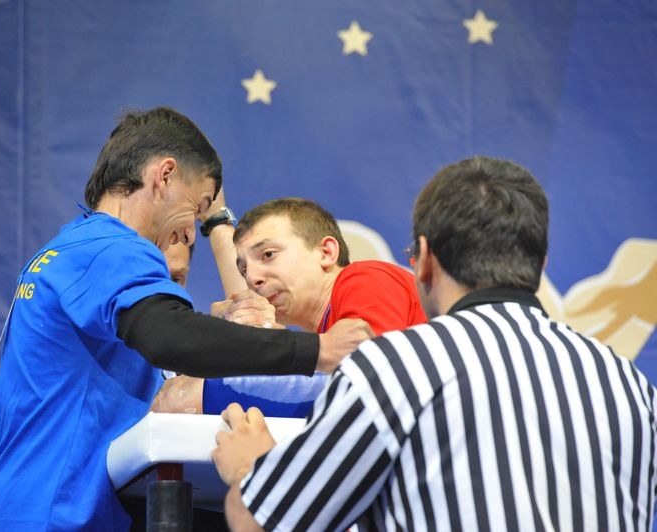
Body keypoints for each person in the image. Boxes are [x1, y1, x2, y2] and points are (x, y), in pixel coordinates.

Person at [0, 107, 371, 530]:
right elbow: (172, 336)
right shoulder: (114, 248)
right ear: (164, 176)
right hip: (53, 517)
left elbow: (178, 339)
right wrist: (319, 349)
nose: (192, 232)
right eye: (197, 208)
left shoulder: (72, 249)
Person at [212, 156, 657, 531]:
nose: (253, 276)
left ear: (422, 260)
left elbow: (262, 520)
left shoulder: (396, 366)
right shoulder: (631, 384)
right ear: (540, 262)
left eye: (268, 256)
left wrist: (249, 470)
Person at [152, 198, 427, 417]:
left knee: (185, 395)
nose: (252, 278)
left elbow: (370, 389)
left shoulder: (365, 278)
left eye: (268, 255)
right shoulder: (329, 330)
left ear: (326, 252)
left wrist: (207, 393)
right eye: (244, 268)